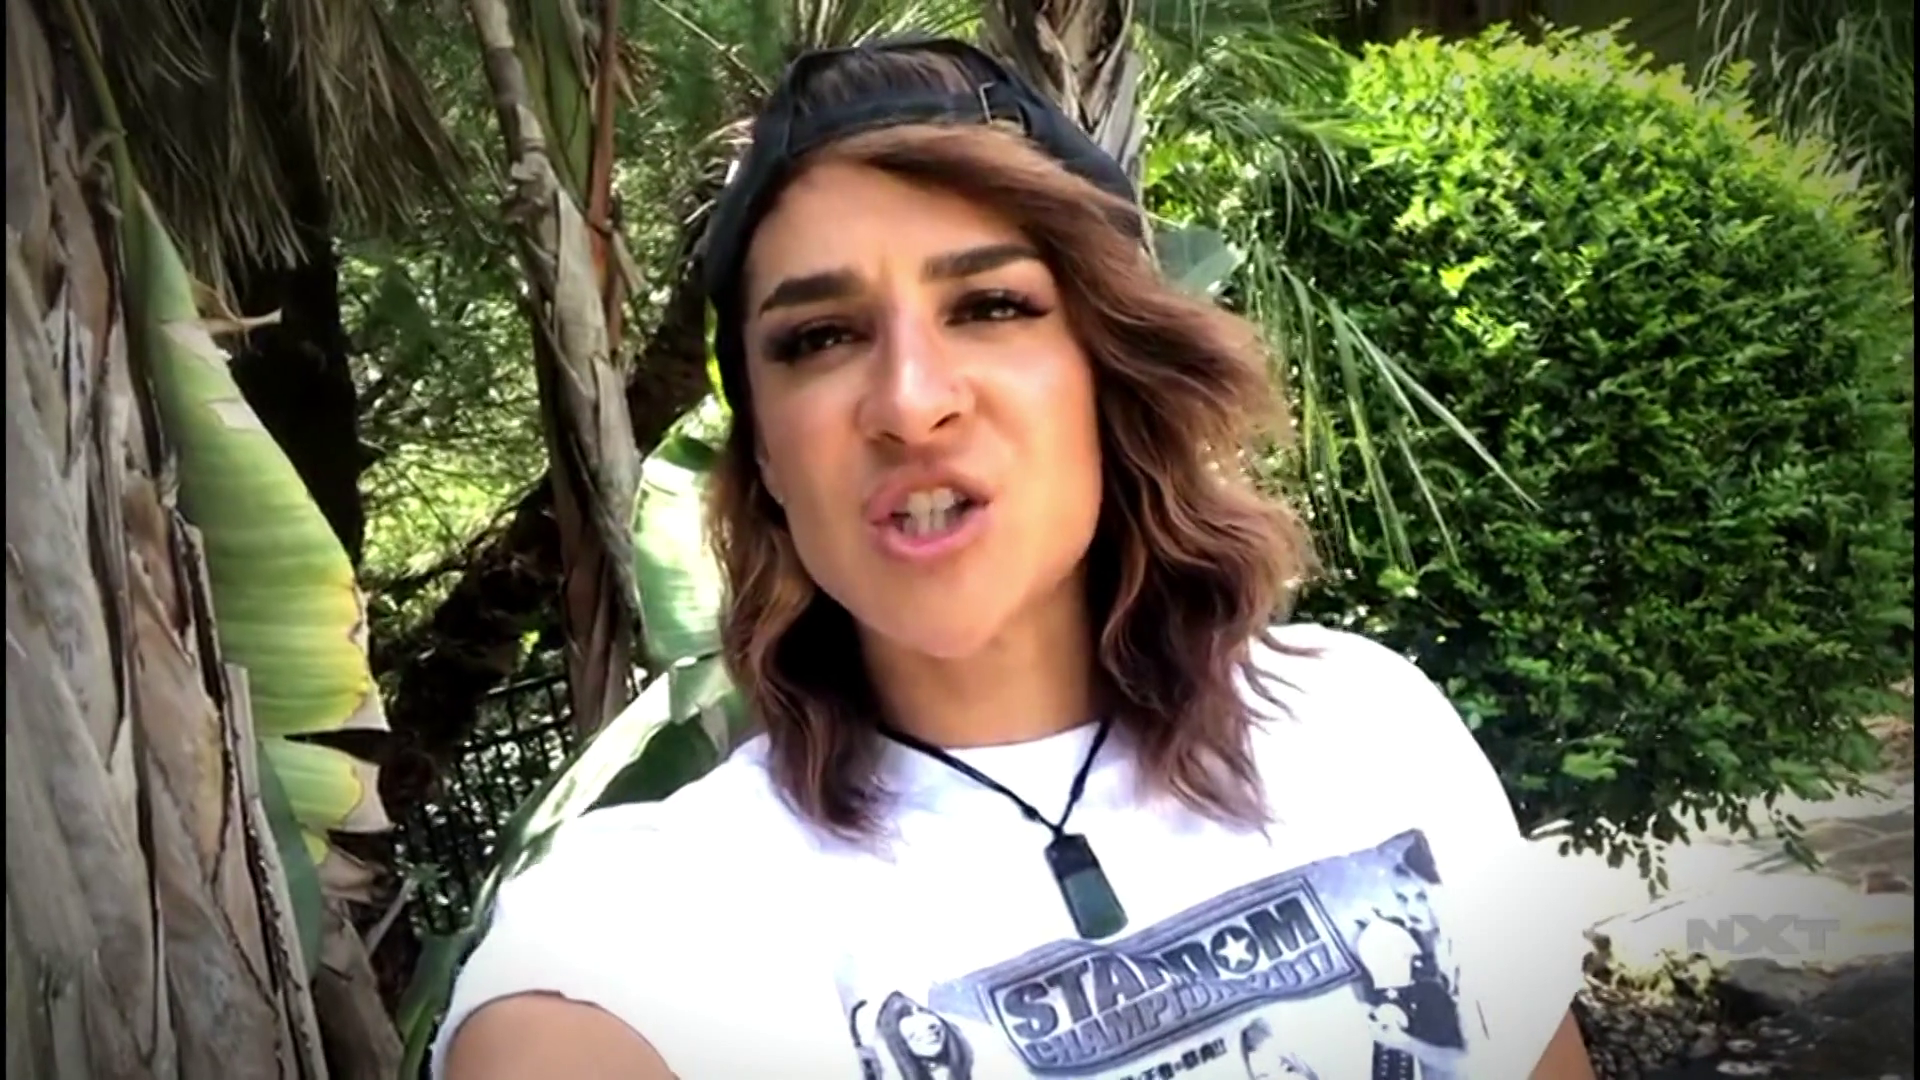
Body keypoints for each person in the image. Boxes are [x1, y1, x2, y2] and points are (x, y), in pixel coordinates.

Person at [434, 35, 1597, 1080]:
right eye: (821, 337)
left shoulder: (1368, 730)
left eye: (991, 305)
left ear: (1110, 371)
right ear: (768, 456)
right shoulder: (648, 934)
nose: (909, 401)